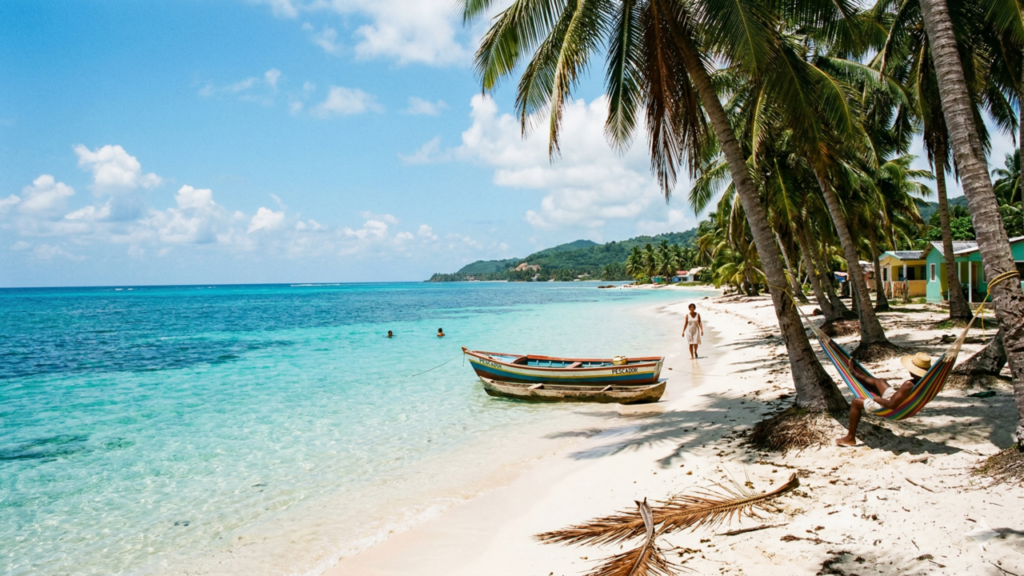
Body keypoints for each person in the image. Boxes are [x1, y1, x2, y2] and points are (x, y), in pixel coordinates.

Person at [835, 352, 931, 447]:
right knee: (880, 381)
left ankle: (850, 437)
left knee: (855, 402)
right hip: (896, 398)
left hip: (890, 406)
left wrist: (878, 399)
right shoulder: (926, 381)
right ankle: (855, 373)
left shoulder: (908, 384)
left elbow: (891, 405)